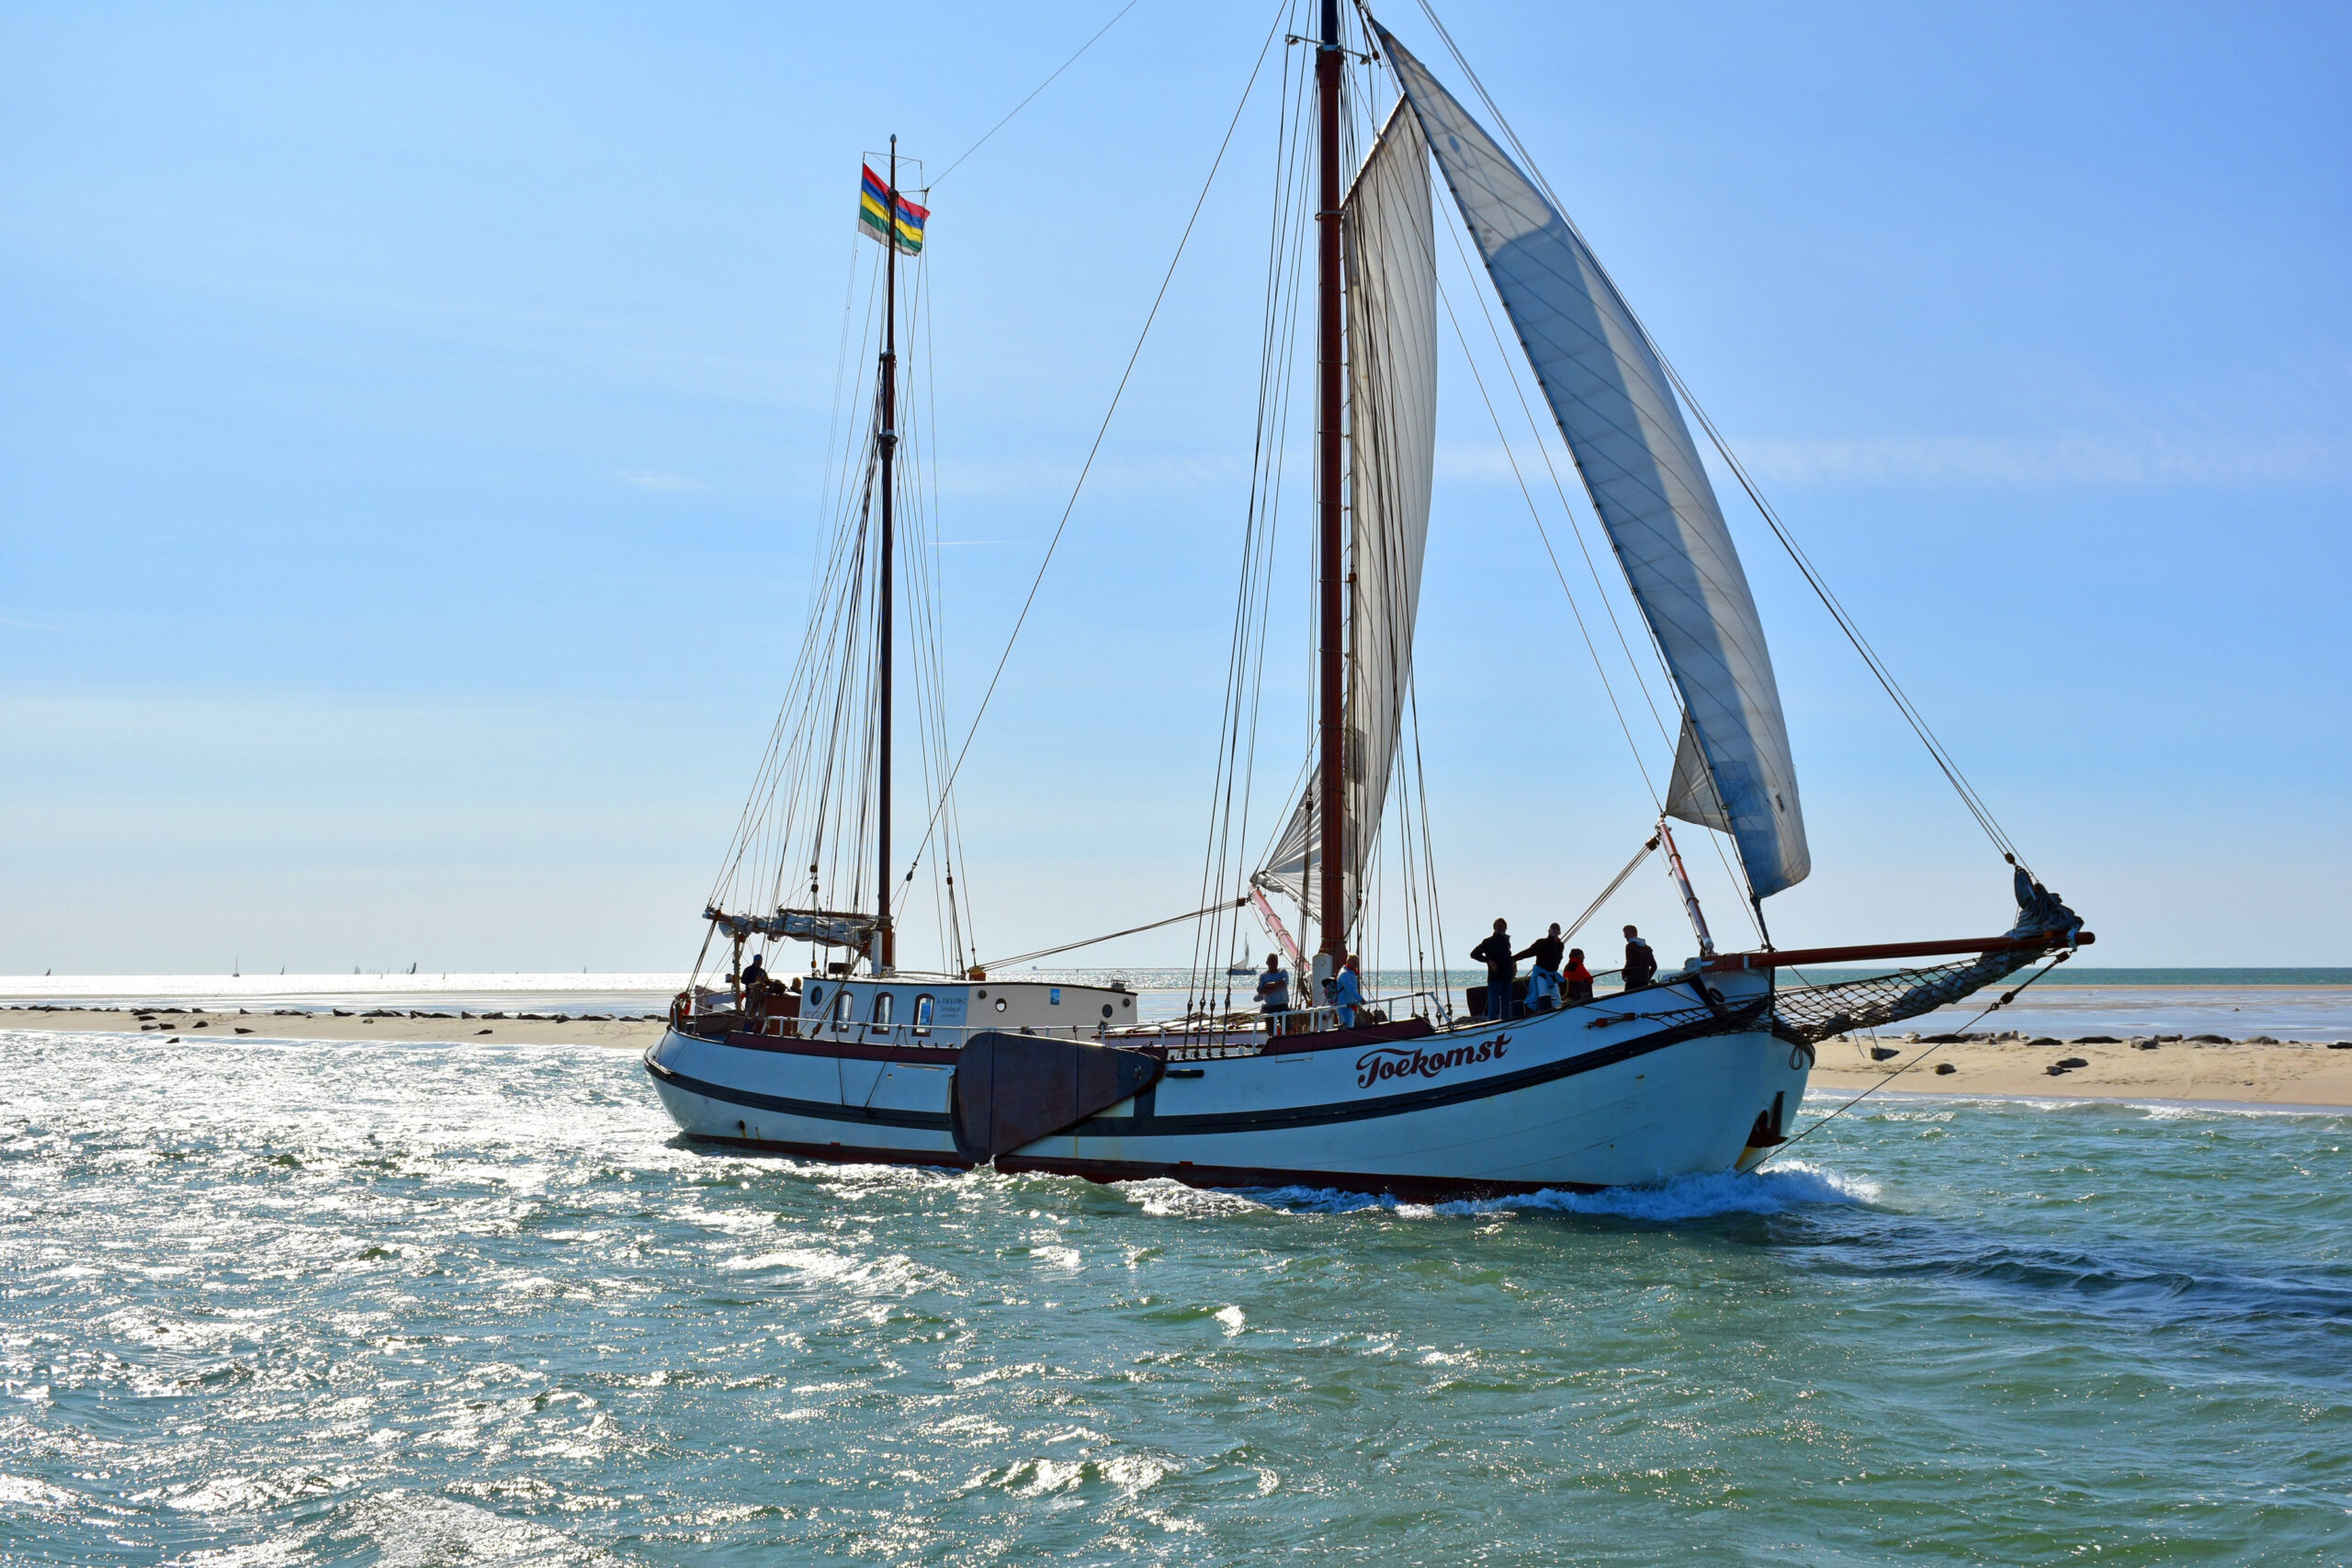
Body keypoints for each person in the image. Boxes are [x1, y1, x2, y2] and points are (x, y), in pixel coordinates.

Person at [1469, 918, 1517, 1021]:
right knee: (1494, 1007)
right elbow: (1474, 954)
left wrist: (1513, 965)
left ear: (1506, 928)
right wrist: (1488, 960)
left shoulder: (1506, 942)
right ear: (1494, 927)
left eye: (1503, 926)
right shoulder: (1488, 942)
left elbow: (1508, 957)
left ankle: (1506, 1026)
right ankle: (1493, 1026)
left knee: (1506, 1007)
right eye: (1498, 925)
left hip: (1507, 978)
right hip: (1495, 979)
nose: (1501, 928)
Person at [1517, 921, 1566, 1012]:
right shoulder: (1541, 942)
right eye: (1553, 928)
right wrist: (1513, 958)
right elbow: (1528, 952)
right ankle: (1543, 1014)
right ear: (1549, 930)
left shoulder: (1560, 945)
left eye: (1557, 928)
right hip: (1541, 975)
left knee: (1557, 999)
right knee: (1543, 997)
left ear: (1560, 932)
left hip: (1552, 976)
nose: (1555, 930)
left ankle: (1557, 1015)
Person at [1621, 925, 1657, 992]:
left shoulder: (1630, 946)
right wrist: (1647, 978)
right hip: (1644, 982)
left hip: (1632, 981)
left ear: (1633, 932)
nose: (1625, 936)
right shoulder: (1647, 948)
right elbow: (1654, 966)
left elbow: (1630, 962)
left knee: (1629, 1000)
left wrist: (1624, 973)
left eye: (1626, 933)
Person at [1254, 953, 1292, 1017]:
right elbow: (1259, 989)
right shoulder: (1263, 975)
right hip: (1269, 1007)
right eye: (1271, 962)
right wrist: (1277, 986)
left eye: (1275, 961)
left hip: (1283, 1006)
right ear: (1267, 963)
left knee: (1287, 1026)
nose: (1274, 964)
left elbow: (1284, 983)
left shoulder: (1282, 972)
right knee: (1270, 1026)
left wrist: (1267, 985)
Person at [1332, 953, 1363, 1028]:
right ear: (1348, 961)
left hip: (1349, 1005)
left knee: (1348, 1025)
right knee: (1347, 1026)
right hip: (1344, 1005)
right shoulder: (1345, 974)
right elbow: (1349, 989)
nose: (1355, 964)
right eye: (1353, 962)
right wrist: (1360, 999)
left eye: (1356, 962)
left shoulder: (1350, 973)